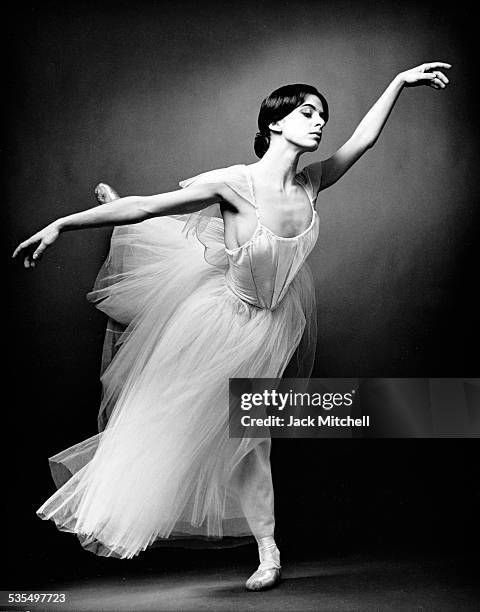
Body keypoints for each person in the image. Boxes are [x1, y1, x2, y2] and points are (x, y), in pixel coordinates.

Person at [13, 61, 451, 591]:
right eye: (307, 113)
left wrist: (400, 83)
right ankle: (136, 507)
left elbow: (364, 140)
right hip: (220, 321)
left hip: (273, 325)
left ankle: (269, 553)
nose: (319, 123)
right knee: (173, 417)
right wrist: (62, 223)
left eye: (322, 115)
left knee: (253, 438)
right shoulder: (234, 183)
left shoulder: (313, 182)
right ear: (275, 125)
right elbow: (148, 204)